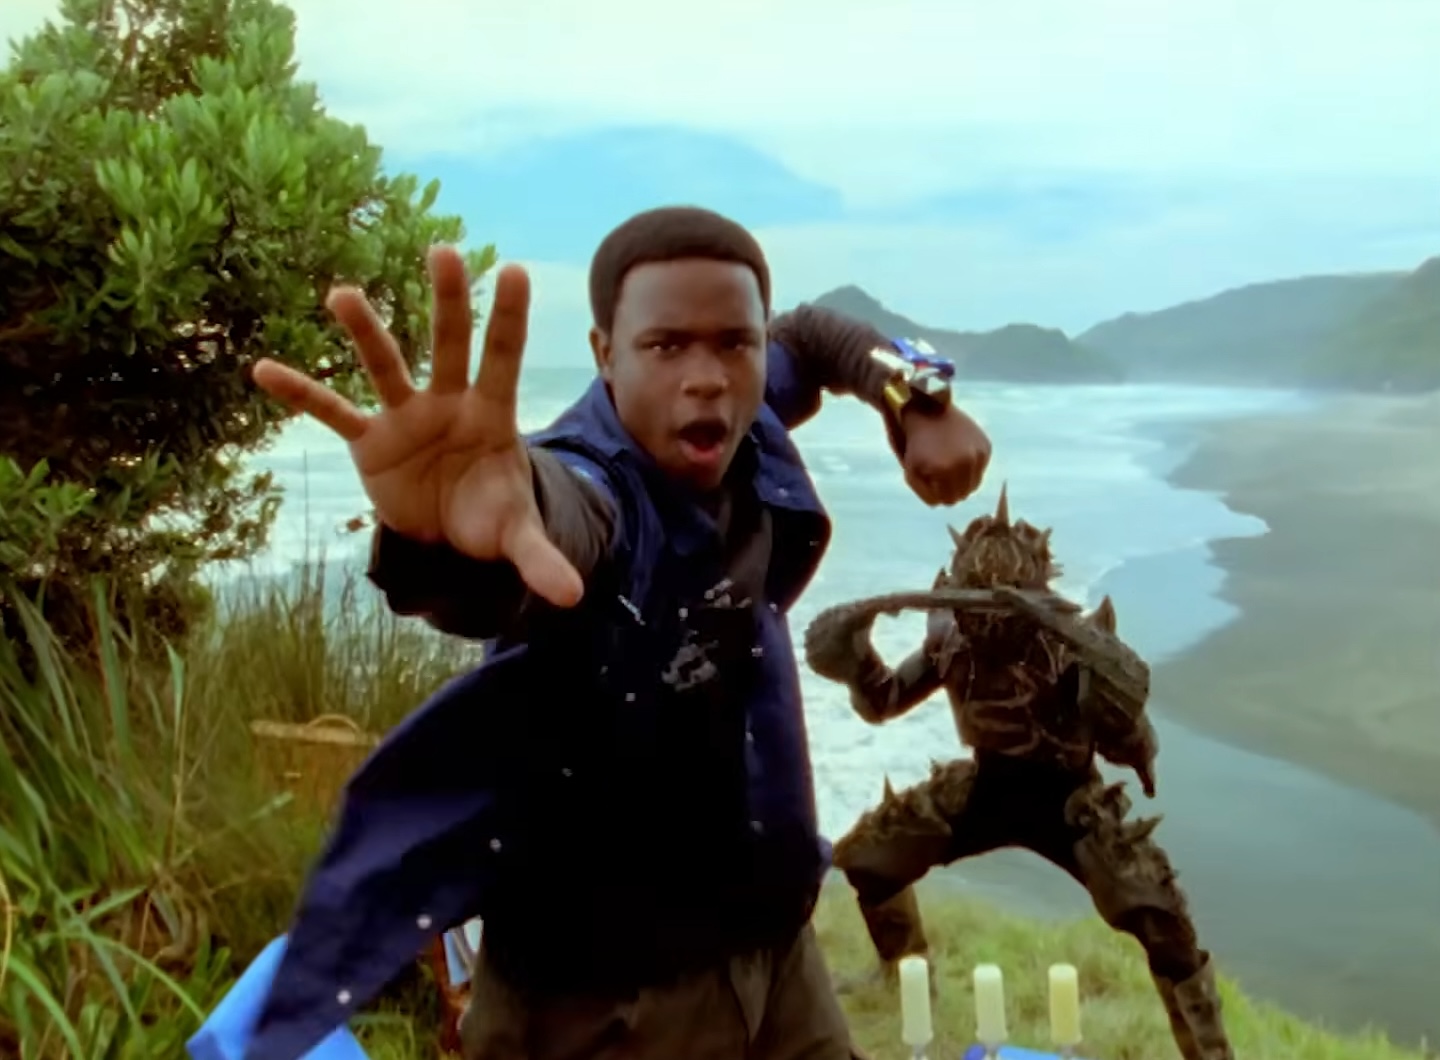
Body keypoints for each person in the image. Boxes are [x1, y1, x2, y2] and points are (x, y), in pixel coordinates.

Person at [245, 205, 993, 1060]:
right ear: (605, 354)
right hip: (607, 996)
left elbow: (817, 334)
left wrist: (917, 400)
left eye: (734, 343)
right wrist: (464, 530)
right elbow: (562, 523)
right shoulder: (596, 481)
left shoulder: (740, 411)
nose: (707, 377)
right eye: (665, 345)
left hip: (774, 944)